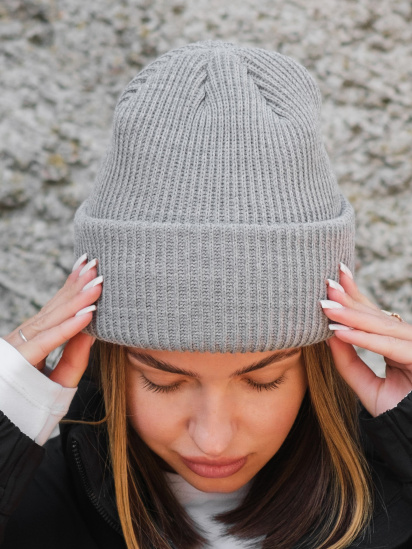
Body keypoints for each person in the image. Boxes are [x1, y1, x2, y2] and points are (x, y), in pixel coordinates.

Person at [0, 39, 411, 549]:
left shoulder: (399, 497)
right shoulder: (25, 508)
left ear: (322, 357)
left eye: (263, 380)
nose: (212, 440)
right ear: (107, 356)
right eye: (162, 381)